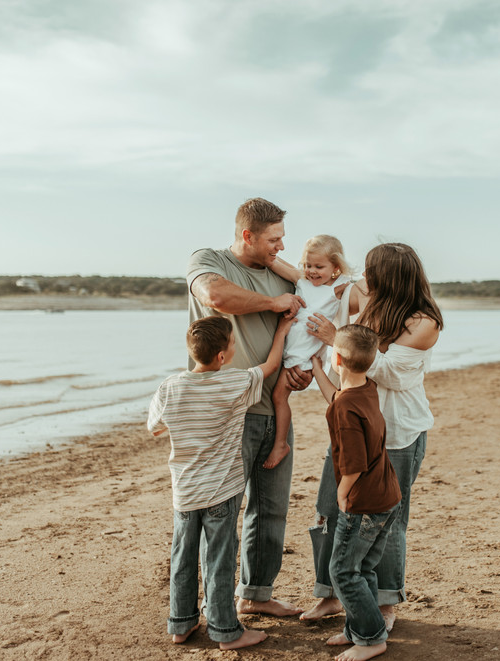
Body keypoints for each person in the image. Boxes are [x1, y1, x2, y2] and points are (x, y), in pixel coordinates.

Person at [301, 243, 443, 633]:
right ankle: (329, 593)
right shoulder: (367, 298)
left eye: (370, 271)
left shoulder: (423, 322)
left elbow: (391, 374)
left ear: (388, 276)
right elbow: (320, 279)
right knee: (329, 507)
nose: (364, 277)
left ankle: (385, 602)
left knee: (388, 521)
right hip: (351, 423)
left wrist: (337, 339)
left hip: (397, 433)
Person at [186, 197, 312, 617]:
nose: (280, 246)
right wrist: (274, 303)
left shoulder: (285, 278)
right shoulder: (211, 261)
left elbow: (303, 332)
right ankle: (214, 604)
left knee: (271, 509)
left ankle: (256, 594)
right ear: (247, 235)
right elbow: (216, 296)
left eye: (282, 238)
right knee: (221, 511)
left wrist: (302, 372)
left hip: (274, 409)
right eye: (273, 239)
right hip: (225, 414)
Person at [147, 314, 292, 649]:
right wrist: (282, 329)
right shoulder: (235, 383)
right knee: (220, 559)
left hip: (185, 492)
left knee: (182, 556)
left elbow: (155, 428)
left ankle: (180, 625)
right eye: (233, 343)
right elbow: (270, 366)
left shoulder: (170, 387)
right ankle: (226, 631)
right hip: (222, 491)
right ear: (223, 356)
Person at [309, 324, 401, 661]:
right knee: (363, 569)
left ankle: (372, 638)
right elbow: (337, 396)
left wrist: (343, 495)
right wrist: (318, 370)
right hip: (387, 494)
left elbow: (354, 464)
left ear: (337, 358)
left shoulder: (345, 408)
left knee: (343, 571)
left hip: (364, 501)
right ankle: (356, 628)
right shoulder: (367, 388)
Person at [263, 235, 353, 469]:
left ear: (335, 267)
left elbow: (364, 286)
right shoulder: (302, 280)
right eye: (308, 265)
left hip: (303, 356)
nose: (312, 271)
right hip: (289, 347)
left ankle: (280, 444)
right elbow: (274, 263)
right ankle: (279, 442)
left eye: (319, 267)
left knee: (278, 397)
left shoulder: (339, 287)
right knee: (276, 394)